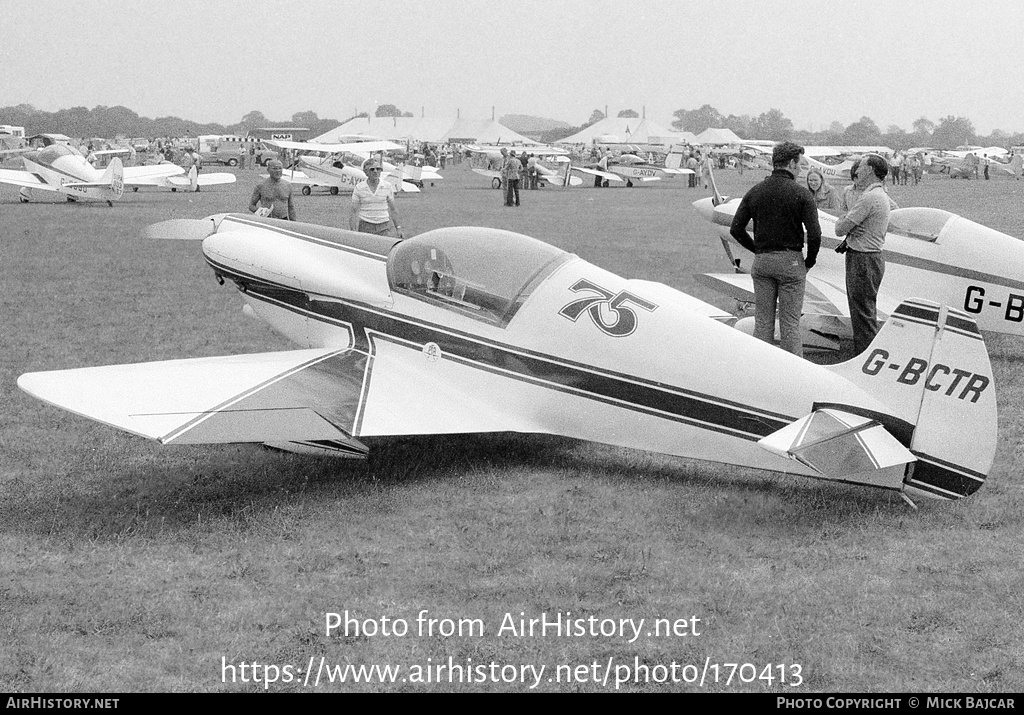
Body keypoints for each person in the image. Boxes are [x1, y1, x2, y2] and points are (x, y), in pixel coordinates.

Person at [729, 141, 821, 357]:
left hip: (762, 261)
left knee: (762, 323)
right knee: (790, 324)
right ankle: (793, 374)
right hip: (791, 262)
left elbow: (736, 228)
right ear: (791, 163)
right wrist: (810, 261)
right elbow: (815, 234)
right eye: (799, 164)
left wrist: (757, 250)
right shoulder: (801, 193)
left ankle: (761, 368)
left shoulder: (755, 191)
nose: (800, 170)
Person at [834, 153, 891, 355]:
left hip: (862, 259)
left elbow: (839, 229)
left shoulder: (869, 198)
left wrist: (846, 225)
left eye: (861, 166)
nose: (856, 170)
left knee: (862, 313)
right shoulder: (880, 195)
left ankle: (865, 356)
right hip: (870, 258)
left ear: (869, 171)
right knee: (865, 311)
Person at [349, 158, 402, 237]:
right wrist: (353, 232)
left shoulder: (387, 186)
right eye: (372, 169)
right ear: (366, 172)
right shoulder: (359, 188)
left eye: (378, 169)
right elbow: (353, 212)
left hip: (384, 226)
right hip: (365, 226)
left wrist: (398, 228)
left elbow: (393, 209)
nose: (375, 171)